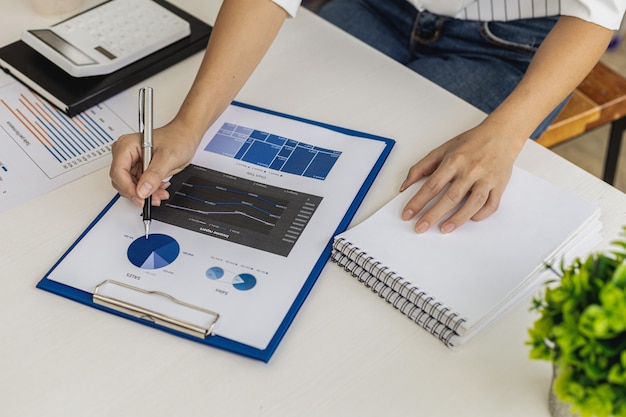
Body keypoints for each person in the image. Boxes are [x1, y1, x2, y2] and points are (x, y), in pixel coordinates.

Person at [110, 0, 624, 234]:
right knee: (312, 162)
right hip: (379, 7)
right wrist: (188, 123)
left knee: (394, 205)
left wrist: (506, 133)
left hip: (514, 39)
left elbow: (597, 7)